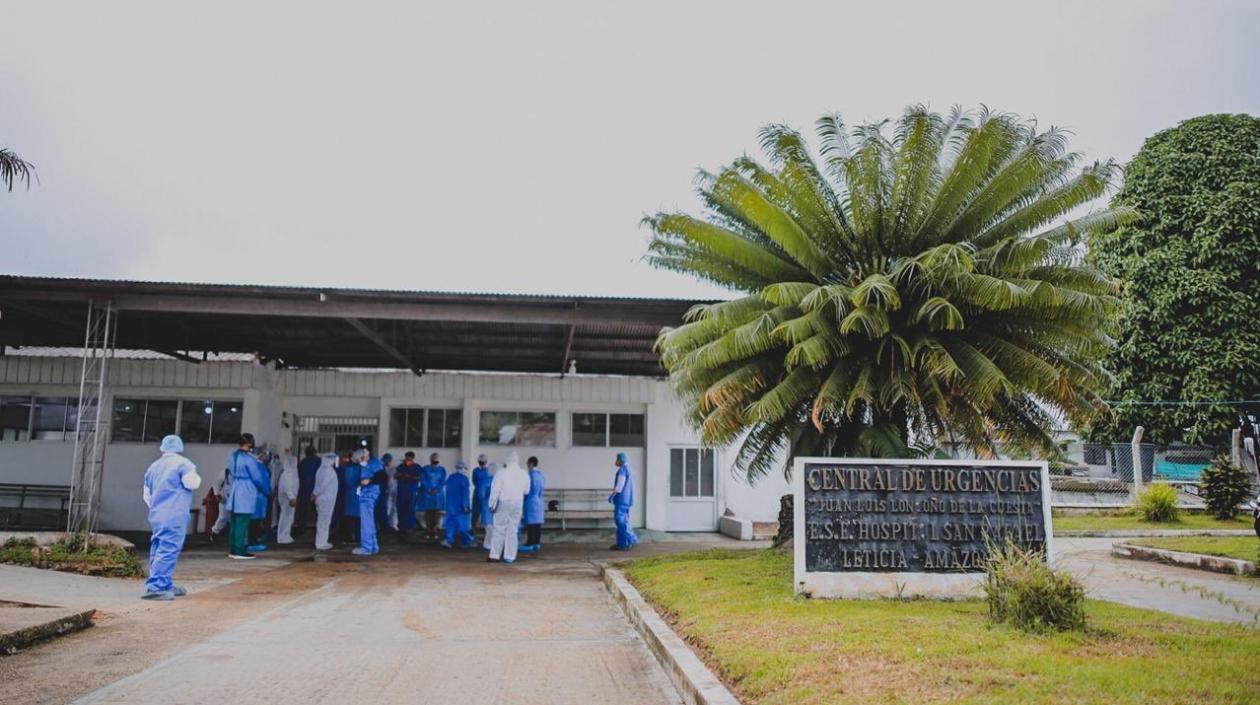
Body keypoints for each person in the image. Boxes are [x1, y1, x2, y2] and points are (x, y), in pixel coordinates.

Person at [141, 434, 201, 599]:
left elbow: (146, 494)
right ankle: (156, 587)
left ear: (163, 448)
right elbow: (193, 483)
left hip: (157, 514)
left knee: (158, 547)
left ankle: (164, 582)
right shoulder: (183, 464)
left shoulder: (153, 467)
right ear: (180, 447)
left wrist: (158, 508)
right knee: (169, 549)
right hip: (174, 514)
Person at [226, 433, 269, 560]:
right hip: (246, 489)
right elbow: (257, 477)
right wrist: (265, 489)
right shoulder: (249, 459)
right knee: (242, 521)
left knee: (234, 521)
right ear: (250, 443)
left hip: (236, 486)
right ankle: (240, 550)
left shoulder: (234, 455)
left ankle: (233, 549)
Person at [487, 452, 531, 563]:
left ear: (507, 461)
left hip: (504, 502)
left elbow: (495, 490)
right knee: (513, 529)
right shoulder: (524, 473)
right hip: (518, 502)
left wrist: (491, 504)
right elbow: (527, 491)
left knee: (499, 528)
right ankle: (510, 556)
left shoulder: (501, 473)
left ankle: (494, 555)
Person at [353, 449, 388, 556]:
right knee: (369, 522)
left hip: (369, 495)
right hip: (367, 494)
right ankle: (373, 546)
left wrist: (369, 481)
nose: (360, 462)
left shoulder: (374, 463)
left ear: (364, 456)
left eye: (360, 459)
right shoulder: (369, 464)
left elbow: (382, 476)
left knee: (366, 523)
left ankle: (367, 548)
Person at [441, 461, 475, 548]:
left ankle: (448, 540)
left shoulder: (451, 478)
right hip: (460, 507)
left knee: (450, 524)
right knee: (464, 525)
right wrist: (466, 506)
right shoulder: (464, 479)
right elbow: (465, 494)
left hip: (450, 505)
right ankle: (467, 542)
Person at [609, 452, 638, 551]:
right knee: (624, 520)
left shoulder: (622, 470)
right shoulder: (631, 470)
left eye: (617, 459)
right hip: (628, 499)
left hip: (621, 499)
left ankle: (632, 538)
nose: (615, 461)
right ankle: (622, 544)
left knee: (619, 520)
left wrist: (613, 495)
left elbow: (620, 486)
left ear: (620, 460)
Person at [311, 452, 339, 550]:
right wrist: (315, 494)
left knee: (323, 521)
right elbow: (322, 485)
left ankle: (322, 541)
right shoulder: (328, 471)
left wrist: (315, 494)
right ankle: (321, 543)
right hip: (325, 500)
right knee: (324, 522)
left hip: (322, 499)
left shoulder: (321, 469)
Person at [518, 456, 546, 554]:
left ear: (531, 464)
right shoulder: (541, 475)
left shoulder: (530, 475)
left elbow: (527, 489)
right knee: (537, 524)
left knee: (531, 524)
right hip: (539, 500)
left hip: (531, 501)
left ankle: (530, 543)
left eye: (527, 463)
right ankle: (536, 543)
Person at [419, 453, 447, 540]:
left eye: (436, 462)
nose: (435, 463)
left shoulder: (442, 470)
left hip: (438, 495)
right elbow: (423, 480)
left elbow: (443, 481)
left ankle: (434, 530)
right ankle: (428, 530)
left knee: (437, 513)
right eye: (433, 461)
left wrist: (437, 489)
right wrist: (429, 489)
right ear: (430, 460)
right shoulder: (425, 469)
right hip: (428, 494)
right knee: (428, 512)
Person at [275, 454, 300, 544]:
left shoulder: (291, 473)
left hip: (290, 499)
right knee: (285, 517)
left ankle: (286, 535)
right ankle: (282, 536)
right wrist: (292, 498)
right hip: (288, 500)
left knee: (288, 518)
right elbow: (288, 487)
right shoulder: (287, 474)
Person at [296, 446, 321, 533]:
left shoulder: (303, 462)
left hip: (304, 489)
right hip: (316, 490)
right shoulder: (319, 462)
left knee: (303, 511)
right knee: (318, 511)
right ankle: (318, 529)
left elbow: (299, 475)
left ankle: (301, 528)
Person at [395, 451, 421, 533]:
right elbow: (395, 476)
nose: (408, 461)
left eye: (410, 459)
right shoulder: (401, 467)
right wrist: (402, 475)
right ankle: (401, 526)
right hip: (401, 490)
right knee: (401, 507)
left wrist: (411, 476)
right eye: (407, 459)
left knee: (410, 508)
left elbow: (420, 477)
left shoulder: (417, 467)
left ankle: (410, 526)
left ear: (413, 459)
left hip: (411, 491)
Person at [341, 452, 362, 543]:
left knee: (350, 517)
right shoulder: (358, 469)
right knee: (356, 518)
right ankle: (355, 537)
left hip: (351, 495)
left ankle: (349, 537)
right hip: (356, 495)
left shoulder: (348, 468)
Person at [471, 454, 493, 539]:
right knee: (477, 513)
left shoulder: (476, 471)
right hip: (482, 495)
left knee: (483, 514)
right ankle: (473, 530)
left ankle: (484, 532)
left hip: (482, 494)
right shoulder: (486, 471)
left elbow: (475, 481)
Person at [374, 453, 396, 534]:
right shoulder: (381, 469)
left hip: (381, 492)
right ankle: (383, 527)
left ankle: (381, 527)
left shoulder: (383, 469)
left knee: (381, 510)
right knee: (380, 510)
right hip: (380, 492)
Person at [208, 466, 231, 541]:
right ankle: (214, 532)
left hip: (236, 499)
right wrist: (217, 494)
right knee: (223, 517)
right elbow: (216, 484)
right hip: (224, 498)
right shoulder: (225, 472)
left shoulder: (243, 472)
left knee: (234, 518)